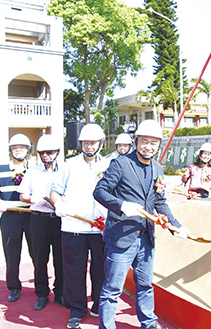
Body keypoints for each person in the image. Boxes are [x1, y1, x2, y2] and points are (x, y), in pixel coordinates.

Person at [93, 119, 188, 329]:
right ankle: (107, 326)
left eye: (154, 143)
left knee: (145, 285)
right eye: (144, 141)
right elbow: (99, 191)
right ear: (136, 141)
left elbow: (160, 201)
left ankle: (149, 322)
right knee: (112, 288)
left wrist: (176, 226)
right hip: (121, 238)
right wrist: (121, 205)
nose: (149, 147)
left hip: (146, 238)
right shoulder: (120, 164)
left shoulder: (158, 169)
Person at [50, 123, 109, 329]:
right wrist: (58, 204)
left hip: (100, 227)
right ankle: (77, 309)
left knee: (101, 268)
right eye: (85, 142)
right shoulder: (69, 165)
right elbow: (54, 191)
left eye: (93, 142)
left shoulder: (108, 165)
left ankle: (98, 304)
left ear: (100, 143)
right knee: (74, 270)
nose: (89, 146)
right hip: (74, 227)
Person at [18, 134, 63, 311]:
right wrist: (33, 199)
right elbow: (22, 195)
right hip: (38, 219)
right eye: (42, 152)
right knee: (39, 258)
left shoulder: (64, 170)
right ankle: (42, 293)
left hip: (59, 219)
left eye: (49, 152)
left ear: (57, 152)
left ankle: (60, 292)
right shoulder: (33, 171)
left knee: (60, 258)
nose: (45, 155)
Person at [0, 133, 34, 303]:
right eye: (15, 148)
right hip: (9, 216)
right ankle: (14, 287)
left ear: (28, 150)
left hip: (32, 217)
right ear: (10, 150)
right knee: (11, 254)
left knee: (37, 253)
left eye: (22, 147)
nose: (18, 151)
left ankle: (40, 287)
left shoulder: (35, 170)